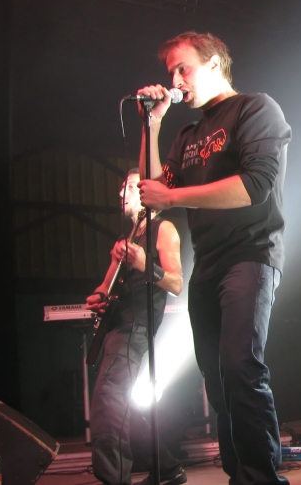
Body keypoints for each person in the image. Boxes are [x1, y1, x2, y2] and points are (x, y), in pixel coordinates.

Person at [135, 31, 291, 485]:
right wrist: (152, 125)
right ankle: (239, 474)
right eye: (171, 73)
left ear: (214, 64)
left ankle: (262, 478)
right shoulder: (186, 134)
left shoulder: (255, 109)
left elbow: (255, 186)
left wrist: (172, 196)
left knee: (240, 366)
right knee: (218, 380)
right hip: (207, 264)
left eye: (183, 68)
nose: (176, 81)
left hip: (251, 252)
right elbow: (153, 192)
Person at [87, 169, 185, 485]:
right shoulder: (125, 240)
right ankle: (168, 469)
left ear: (145, 192)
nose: (121, 193)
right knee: (120, 405)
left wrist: (144, 263)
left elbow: (176, 283)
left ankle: (114, 479)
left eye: (129, 186)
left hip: (136, 328)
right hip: (116, 328)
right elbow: (105, 287)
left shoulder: (163, 229)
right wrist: (99, 296)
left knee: (108, 400)